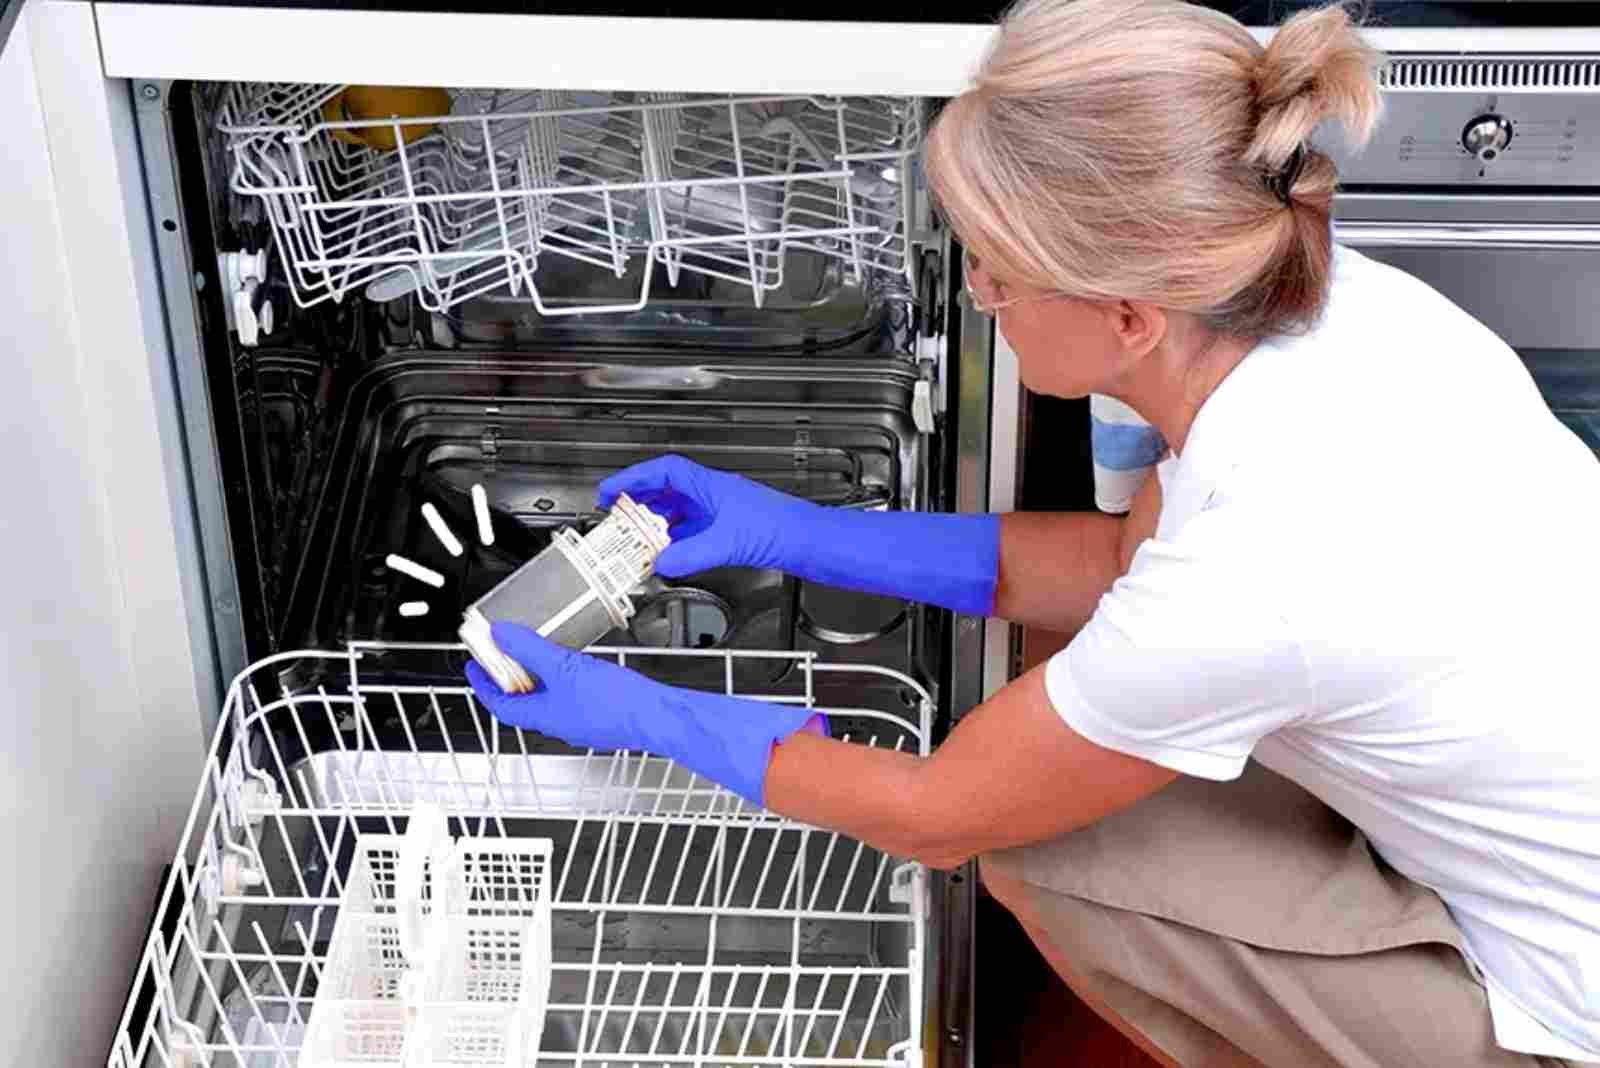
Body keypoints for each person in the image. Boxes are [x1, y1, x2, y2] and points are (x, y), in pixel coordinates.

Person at [467, 0, 1600, 1063]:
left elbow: (938, 816)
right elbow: (1117, 563)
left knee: (1043, 843)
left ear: (1126, 316)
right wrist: (794, 532)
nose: (973, 292)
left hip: (1564, 1003)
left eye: (997, 271)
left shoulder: (1257, 572)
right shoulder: (1324, 305)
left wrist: (648, 718)